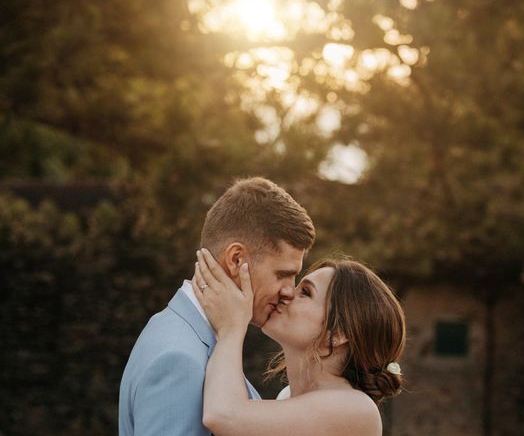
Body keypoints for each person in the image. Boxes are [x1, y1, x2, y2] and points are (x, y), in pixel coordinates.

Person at [119, 177, 315, 436]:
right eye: (282, 274)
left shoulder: (188, 334)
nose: (290, 290)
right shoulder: (178, 360)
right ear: (236, 260)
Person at [192, 249, 406, 436]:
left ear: (337, 334)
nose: (286, 292)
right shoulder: (286, 396)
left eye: (305, 292)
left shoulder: (356, 408)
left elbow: (223, 415)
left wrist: (231, 327)